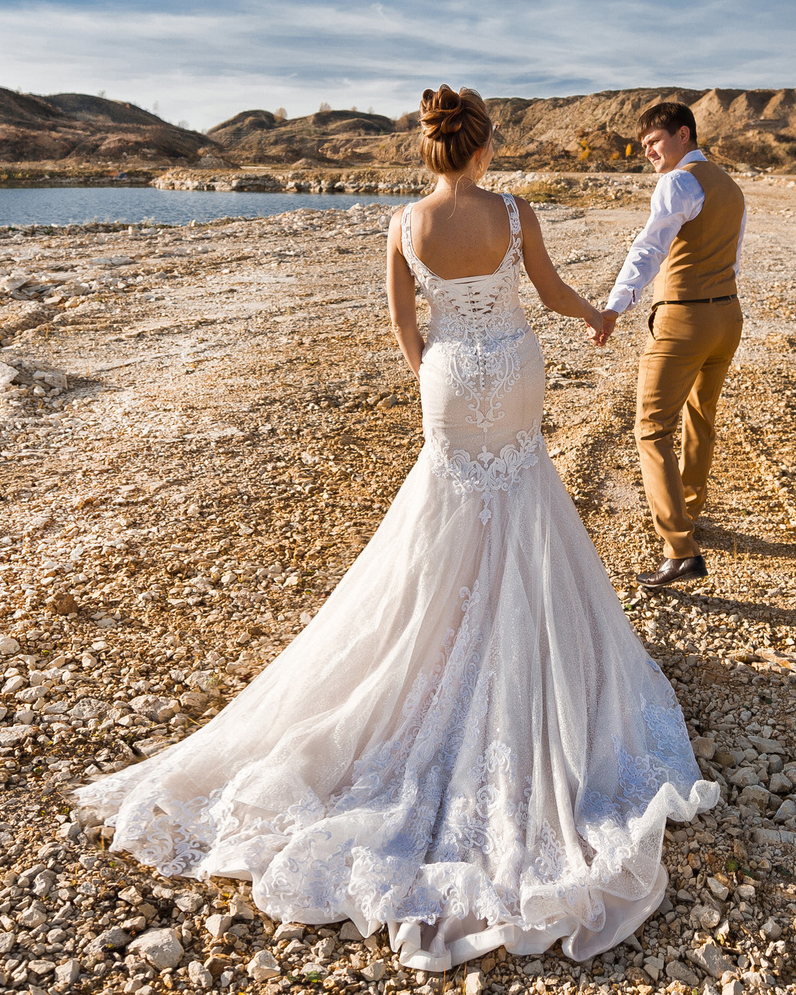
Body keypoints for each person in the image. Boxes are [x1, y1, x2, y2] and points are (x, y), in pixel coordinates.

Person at [75, 85, 717, 972]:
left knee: (445, 509)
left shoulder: (404, 224)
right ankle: (518, 645)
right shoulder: (513, 210)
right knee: (523, 497)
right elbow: (551, 289)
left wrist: (435, 375)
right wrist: (595, 317)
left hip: (452, 377)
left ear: (430, 150)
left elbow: (403, 323)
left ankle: (438, 641)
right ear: (484, 146)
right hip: (515, 371)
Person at [601, 100, 747, 588]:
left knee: (651, 430)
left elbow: (650, 247)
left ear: (684, 135)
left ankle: (680, 548)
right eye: (643, 146)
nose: (648, 153)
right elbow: (733, 255)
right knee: (700, 416)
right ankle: (688, 510)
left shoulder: (678, 182)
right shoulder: (729, 185)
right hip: (728, 315)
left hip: (686, 318)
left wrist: (615, 307)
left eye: (655, 142)